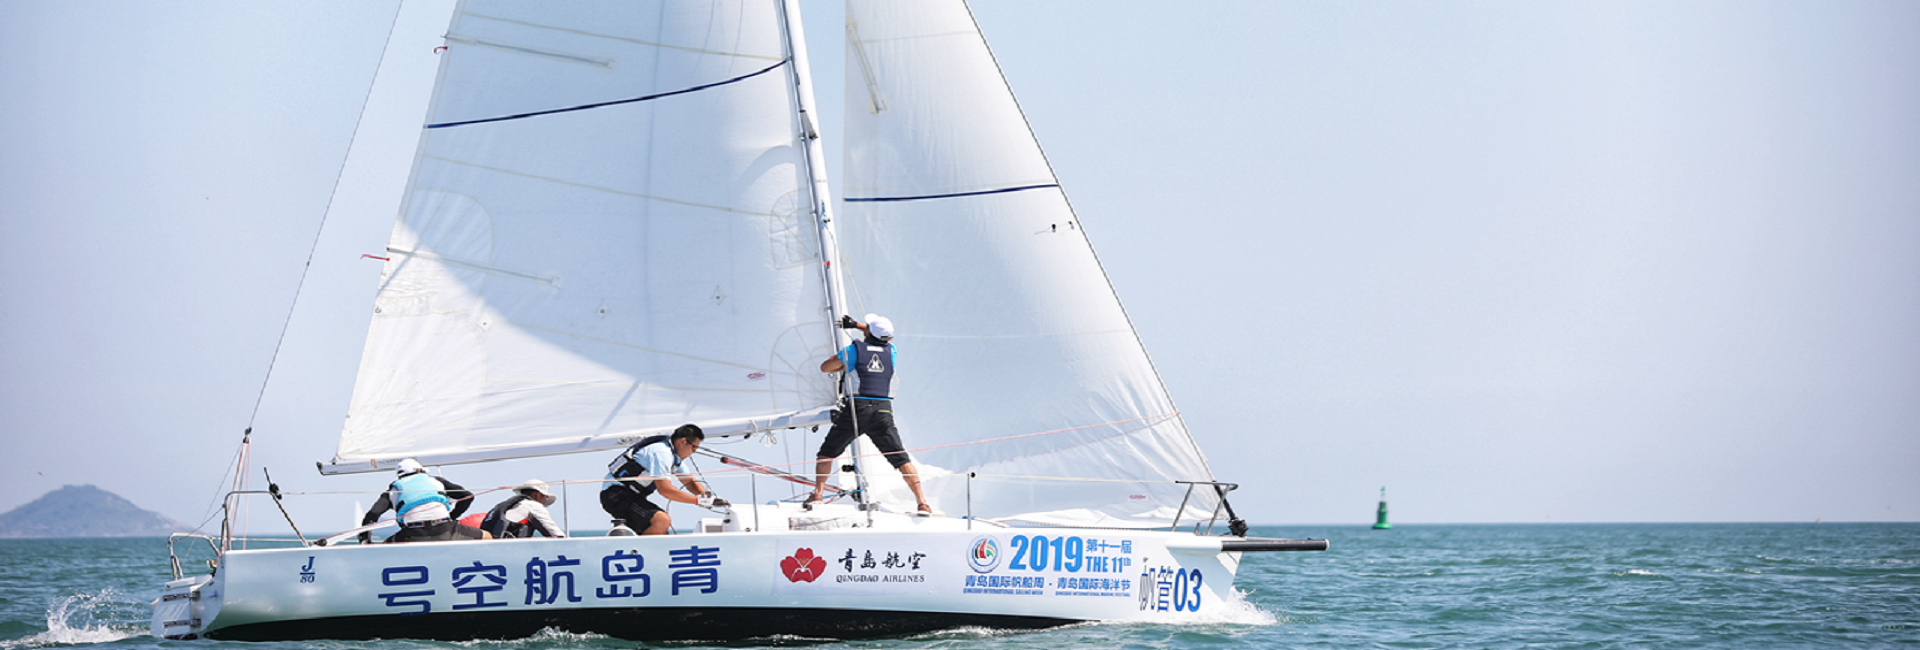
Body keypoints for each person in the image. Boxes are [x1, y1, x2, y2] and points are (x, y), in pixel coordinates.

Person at [807, 314, 932, 515]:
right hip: (883, 410)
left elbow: (825, 367)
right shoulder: (892, 351)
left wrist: (845, 364)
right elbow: (878, 335)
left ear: (869, 332)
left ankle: (818, 495)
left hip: (857, 409)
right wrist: (857, 325)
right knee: (901, 459)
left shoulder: (853, 350)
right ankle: (922, 502)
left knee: (826, 453)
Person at [600, 424, 728, 535]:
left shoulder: (673, 457)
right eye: (694, 447)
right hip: (616, 494)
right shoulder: (661, 453)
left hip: (632, 496)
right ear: (683, 441)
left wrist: (709, 497)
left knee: (661, 532)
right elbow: (665, 490)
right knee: (661, 520)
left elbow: (690, 482)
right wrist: (697, 500)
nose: (694, 452)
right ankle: (641, 553)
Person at [359, 458, 489, 543]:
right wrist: (452, 517)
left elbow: (372, 515)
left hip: (412, 534)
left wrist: (365, 541)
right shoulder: (436, 480)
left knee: (383, 547)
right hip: (445, 528)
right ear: (420, 471)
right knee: (487, 536)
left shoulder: (393, 490)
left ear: (399, 476)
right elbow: (467, 497)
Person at [480, 479, 567, 539]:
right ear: (537, 494)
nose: (544, 500)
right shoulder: (533, 505)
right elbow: (556, 534)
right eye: (544, 496)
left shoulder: (510, 505)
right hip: (513, 549)